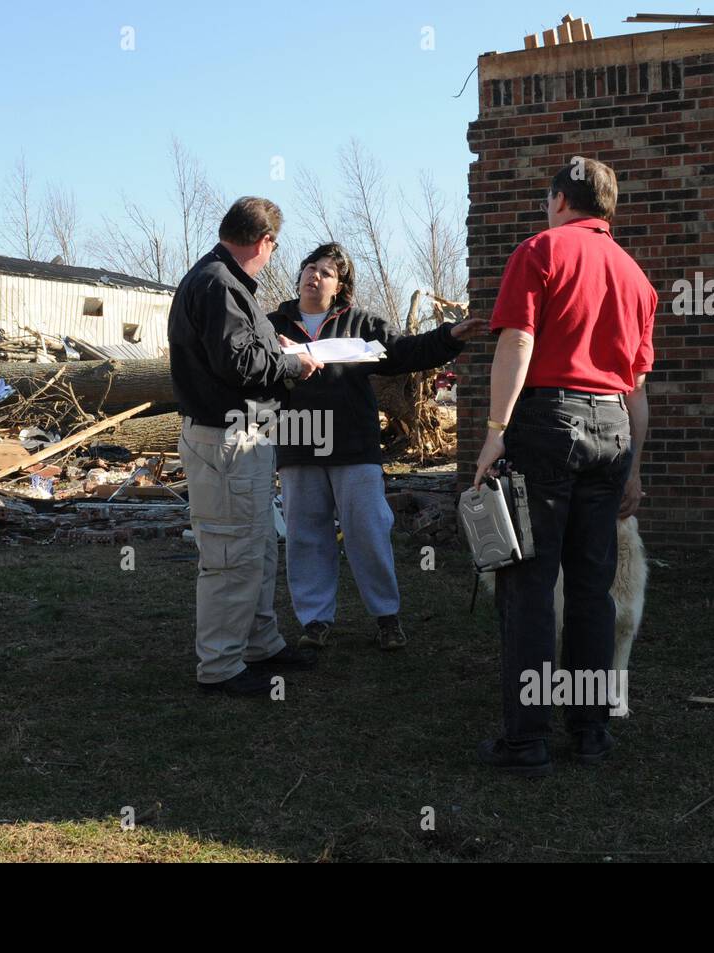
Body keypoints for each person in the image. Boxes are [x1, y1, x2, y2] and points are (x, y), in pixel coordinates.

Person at [472, 159, 655, 775]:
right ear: (608, 208)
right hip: (612, 430)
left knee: (528, 586)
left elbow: (517, 341)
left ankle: (526, 743)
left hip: (548, 423)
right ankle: (591, 733)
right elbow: (636, 389)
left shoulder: (539, 251)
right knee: (591, 589)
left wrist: (496, 432)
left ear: (558, 200)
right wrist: (633, 468)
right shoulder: (637, 278)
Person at [268, 243, 485, 650]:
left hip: (354, 446)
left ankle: (386, 617)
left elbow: (405, 352)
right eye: (309, 267)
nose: (315, 275)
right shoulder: (271, 324)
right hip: (298, 443)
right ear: (299, 276)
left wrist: (449, 336)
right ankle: (314, 621)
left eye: (327, 272)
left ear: (341, 286)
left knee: (368, 531)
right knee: (305, 535)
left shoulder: (360, 324)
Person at [168, 197, 323, 697]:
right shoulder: (218, 284)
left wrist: (275, 351)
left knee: (254, 546)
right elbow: (238, 365)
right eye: (275, 246)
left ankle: (259, 643)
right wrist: (292, 366)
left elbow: (240, 352)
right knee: (231, 552)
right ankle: (219, 665)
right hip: (225, 439)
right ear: (265, 241)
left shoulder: (225, 283)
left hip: (243, 435)